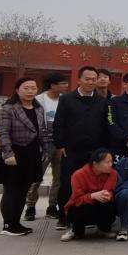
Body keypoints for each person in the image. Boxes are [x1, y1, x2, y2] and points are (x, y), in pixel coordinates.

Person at [0, 77, 52, 236]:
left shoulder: (38, 108)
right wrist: (8, 153)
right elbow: (3, 133)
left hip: (31, 154)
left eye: (33, 88)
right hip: (14, 153)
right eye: (26, 88)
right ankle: (8, 225)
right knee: (11, 190)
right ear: (17, 90)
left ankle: (16, 223)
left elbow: (42, 132)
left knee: (23, 190)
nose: (30, 91)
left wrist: (45, 150)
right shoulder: (8, 108)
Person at [53, 66, 108, 227]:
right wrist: (60, 144)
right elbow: (59, 123)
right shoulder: (67, 99)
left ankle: (88, 217)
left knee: (92, 184)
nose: (91, 82)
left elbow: (105, 126)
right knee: (67, 183)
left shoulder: (101, 101)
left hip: (94, 151)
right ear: (79, 80)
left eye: (93, 79)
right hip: (71, 150)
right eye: (87, 79)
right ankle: (64, 216)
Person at [25, 71, 69, 223]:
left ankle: (52, 206)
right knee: (36, 176)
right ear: (52, 85)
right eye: (63, 83)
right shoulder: (38, 100)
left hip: (61, 144)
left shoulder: (66, 100)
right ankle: (30, 206)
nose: (66, 86)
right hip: (43, 144)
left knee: (59, 177)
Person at [61, 148, 118, 241]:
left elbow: (108, 191)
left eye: (111, 161)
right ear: (95, 164)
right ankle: (76, 231)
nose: (111, 165)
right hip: (81, 206)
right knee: (78, 209)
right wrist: (92, 196)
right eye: (107, 162)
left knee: (109, 204)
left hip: (100, 204)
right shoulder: (78, 175)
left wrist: (109, 195)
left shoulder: (113, 173)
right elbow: (77, 199)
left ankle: (104, 229)